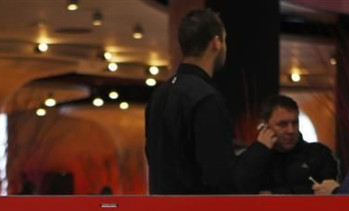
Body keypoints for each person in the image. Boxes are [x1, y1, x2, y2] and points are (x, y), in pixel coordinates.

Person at [145, 9, 248, 194]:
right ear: (216, 43)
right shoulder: (206, 98)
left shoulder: (159, 94)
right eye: (224, 39)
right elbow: (218, 173)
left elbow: (153, 158)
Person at [238, 95, 339, 194]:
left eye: (295, 123)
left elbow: (327, 190)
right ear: (264, 126)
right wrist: (260, 151)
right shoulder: (251, 157)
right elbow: (239, 190)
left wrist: (274, 194)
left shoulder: (318, 154)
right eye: (282, 124)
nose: (291, 130)